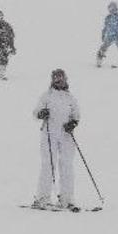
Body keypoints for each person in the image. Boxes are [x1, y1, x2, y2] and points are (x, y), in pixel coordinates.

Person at [32, 69, 80, 211]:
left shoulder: (70, 97)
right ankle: (42, 197)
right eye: (56, 78)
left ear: (65, 79)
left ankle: (67, 198)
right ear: (52, 80)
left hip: (66, 135)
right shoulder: (46, 96)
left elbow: (76, 114)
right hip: (49, 133)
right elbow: (35, 112)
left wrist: (73, 123)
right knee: (48, 164)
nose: (59, 81)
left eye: (61, 78)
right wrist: (42, 113)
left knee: (67, 165)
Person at [96, 2, 118, 67]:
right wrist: (103, 34)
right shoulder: (108, 17)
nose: (111, 10)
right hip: (110, 36)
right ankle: (99, 60)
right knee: (103, 47)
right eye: (110, 9)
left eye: (113, 8)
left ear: (116, 9)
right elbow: (105, 27)